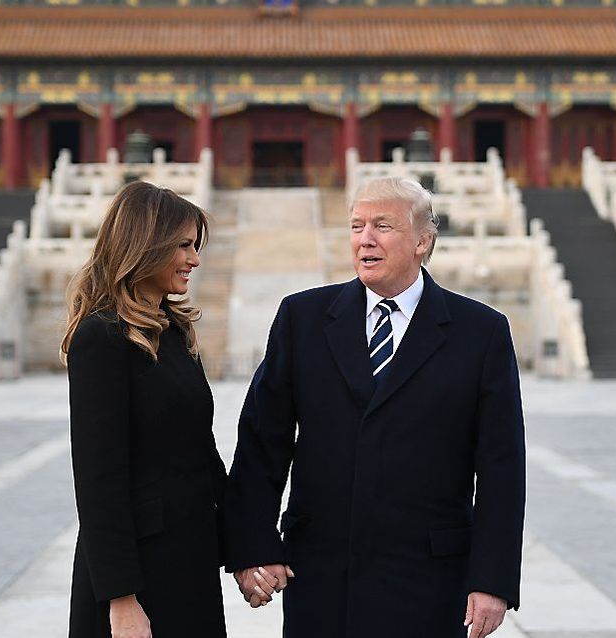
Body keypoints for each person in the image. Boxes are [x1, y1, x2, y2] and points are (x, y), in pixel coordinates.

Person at [224, 177, 526, 638]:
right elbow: (262, 443)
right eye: (356, 226)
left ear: (423, 241)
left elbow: (502, 467)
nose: (365, 239)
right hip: (321, 572)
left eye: (383, 226)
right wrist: (253, 547)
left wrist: (492, 580)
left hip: (428, 578)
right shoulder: (302, 318)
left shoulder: (480, 332)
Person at [61, 181, 227, 638]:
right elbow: (99, 482)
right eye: (183, 246)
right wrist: (122, 600)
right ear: (145, 245)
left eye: (196, 246)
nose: (194, 258)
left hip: (190, 564)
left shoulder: (174, 331)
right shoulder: (101, 337)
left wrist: (246, 551)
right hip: (136, 580)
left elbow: (203, 456)